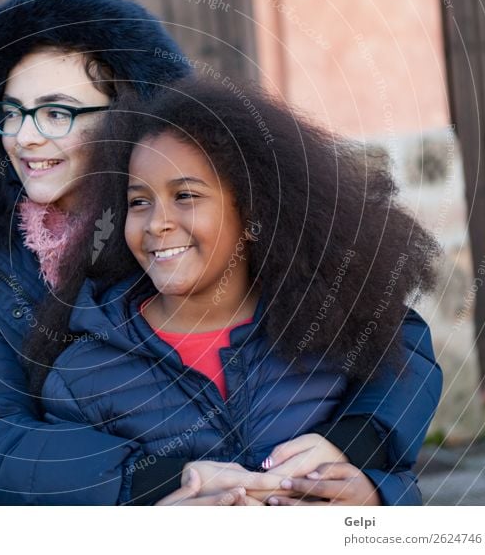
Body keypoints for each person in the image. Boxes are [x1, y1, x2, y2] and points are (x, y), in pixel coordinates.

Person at [0, 0, 442, 505]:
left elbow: (390, 335)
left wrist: (355, 449)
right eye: (12, 113)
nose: (25, 137)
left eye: (56, 112)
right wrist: (156, 486)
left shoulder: (212, 221)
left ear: (127, 110)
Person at [28, 77, 443, 505]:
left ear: (251, 211)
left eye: (185, 195)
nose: (156, 223)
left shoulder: (328, 332)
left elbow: (395, 480)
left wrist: (375, 499)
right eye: (139, 202)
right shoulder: (82, 377)